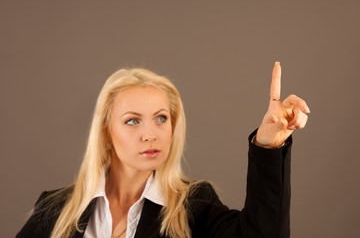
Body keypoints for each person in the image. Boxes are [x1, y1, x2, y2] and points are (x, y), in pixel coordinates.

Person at [16, 62, 310, 238]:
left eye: (161, 118)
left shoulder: (194, 205)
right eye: (132, 121)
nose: (150, 135)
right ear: (106, 132)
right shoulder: (54, 210)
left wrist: (268, 147)